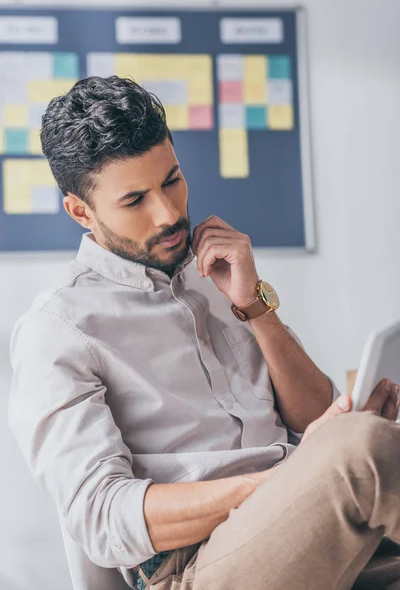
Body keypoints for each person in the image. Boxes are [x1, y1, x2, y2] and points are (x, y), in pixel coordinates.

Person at [8, 76, 400, 590]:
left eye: (172, 179)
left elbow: (313, 415)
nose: (169, 213)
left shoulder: (214, 270)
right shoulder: (58, 329)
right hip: (195, 565)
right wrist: (288, 480)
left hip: (303, 523)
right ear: (81, 211)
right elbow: (103, 518)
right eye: (135, 200)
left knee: (363, 442)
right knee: (362, 451)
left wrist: (254, 307)